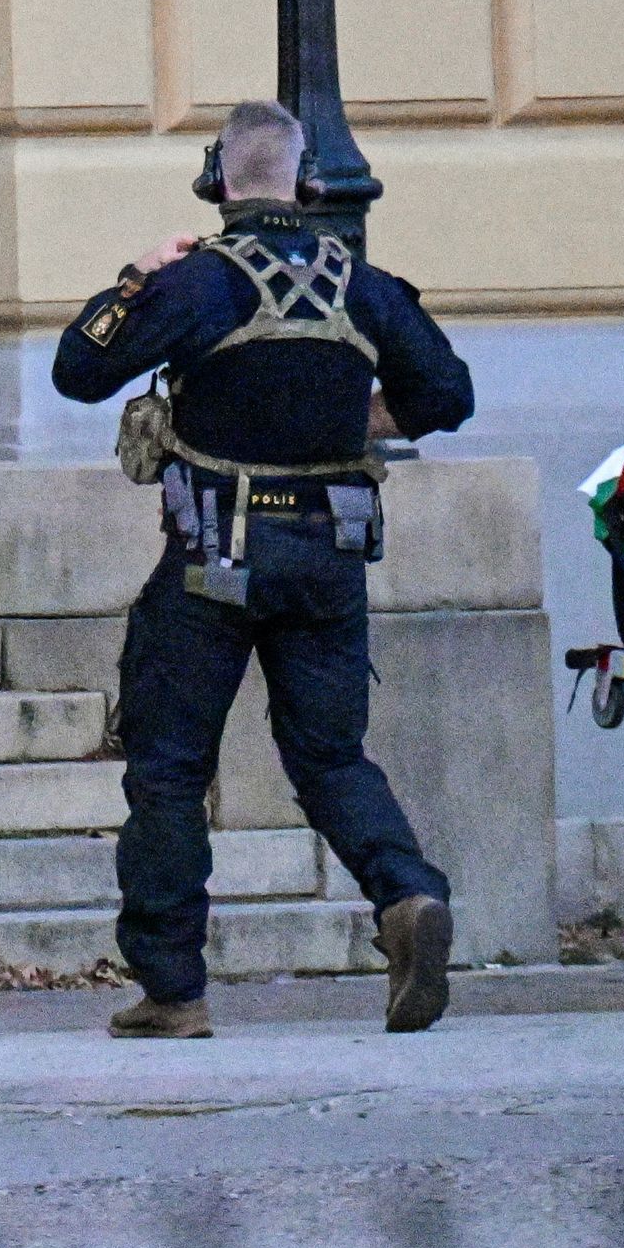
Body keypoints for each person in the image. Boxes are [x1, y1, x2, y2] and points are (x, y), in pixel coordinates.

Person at [51, 101, 474, 1037]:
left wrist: (136, 279)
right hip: (329, 558)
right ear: (304, 181)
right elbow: (449, 394)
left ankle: (174, 989)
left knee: (167, 769)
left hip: (213, 561)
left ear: (219, 183)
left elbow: (78, 370)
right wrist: (356, 417)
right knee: (329, 755)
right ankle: (406, 897)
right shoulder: (361, 286)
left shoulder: (200, 283)